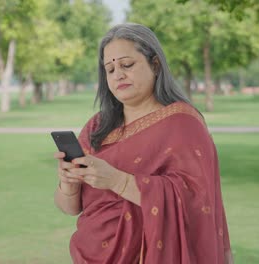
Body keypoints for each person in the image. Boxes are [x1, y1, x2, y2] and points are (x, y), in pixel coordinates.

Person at [53, 23, 233, 264]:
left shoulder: (182, 123)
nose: (118, 74)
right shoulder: (97, 127)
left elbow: (196, 202)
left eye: (127, 65)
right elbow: (70, 208)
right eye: (110, 68)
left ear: (155, 64)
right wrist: (68, 184)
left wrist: (117, 180)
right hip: (91, 251)